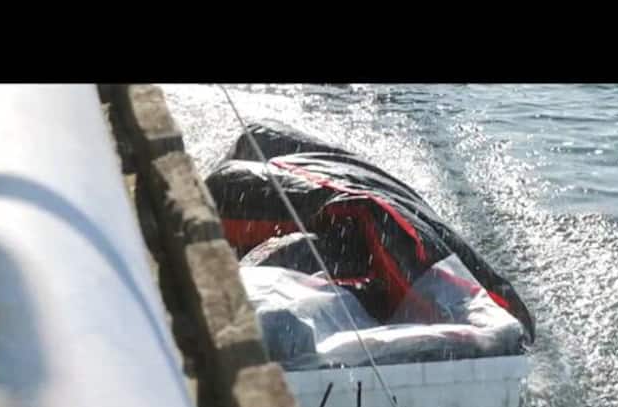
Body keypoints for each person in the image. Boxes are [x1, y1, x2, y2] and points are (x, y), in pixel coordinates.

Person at [203, 121, 536, 345]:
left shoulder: (231, 188)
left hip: (327, 186)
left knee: (361, 214)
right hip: (301, 176)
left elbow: (372, 212)